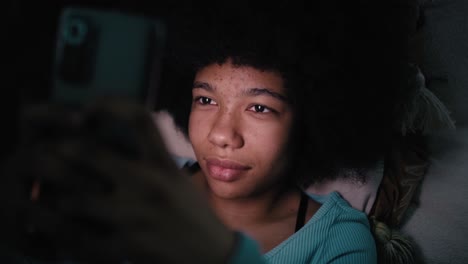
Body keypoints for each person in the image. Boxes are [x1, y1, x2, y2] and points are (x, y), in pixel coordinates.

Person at [0, 1, 412, 263]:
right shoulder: (134, 182)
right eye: (206, 100)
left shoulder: (339, 244)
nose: (222, 135)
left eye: (259, 107)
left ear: (312, 120)